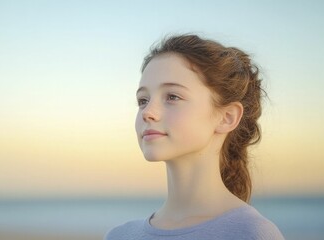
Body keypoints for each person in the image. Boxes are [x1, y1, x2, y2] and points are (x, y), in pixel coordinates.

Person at [105, 34, 285, 240]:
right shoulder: (120, 236)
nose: (148, 112)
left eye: (172, 96)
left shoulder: (250, 233)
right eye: (143, 100)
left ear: (227, 117)